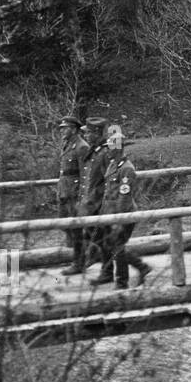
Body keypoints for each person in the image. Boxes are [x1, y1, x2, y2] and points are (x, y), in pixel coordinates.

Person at [92, 128, 151, 289]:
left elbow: (124, 198)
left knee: (117, 247)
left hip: (122, 214)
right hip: (108, 213)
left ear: (117, 148)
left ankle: (124, 280)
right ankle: (112, 274)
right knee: (107, 244)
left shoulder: (126, 169)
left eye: (109, 147)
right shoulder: (113, 165)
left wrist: (119, 220)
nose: (107, 151)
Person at [74, 117, 111, 273]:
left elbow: (108, 181)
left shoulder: (104, 153)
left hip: (99, 204)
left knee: (104, 240)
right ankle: (104, 268)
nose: (86, 136)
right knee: (98, 238)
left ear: (96, 133)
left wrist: (102, 204)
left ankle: (108, 271)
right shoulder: (95, 151)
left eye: (88, 133)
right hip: (90, 203)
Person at [57, 115, 90, 276]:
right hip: (65, 191)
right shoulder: (67, 144)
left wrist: (82, 197)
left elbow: (85, 174)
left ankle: (79, 262)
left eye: (65, 128)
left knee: (76, 229)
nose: (62, 130)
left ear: (74, 129)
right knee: (65, 224)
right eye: (62, 128)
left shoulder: (82, 147)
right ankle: (86, 255)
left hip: (75, 194)